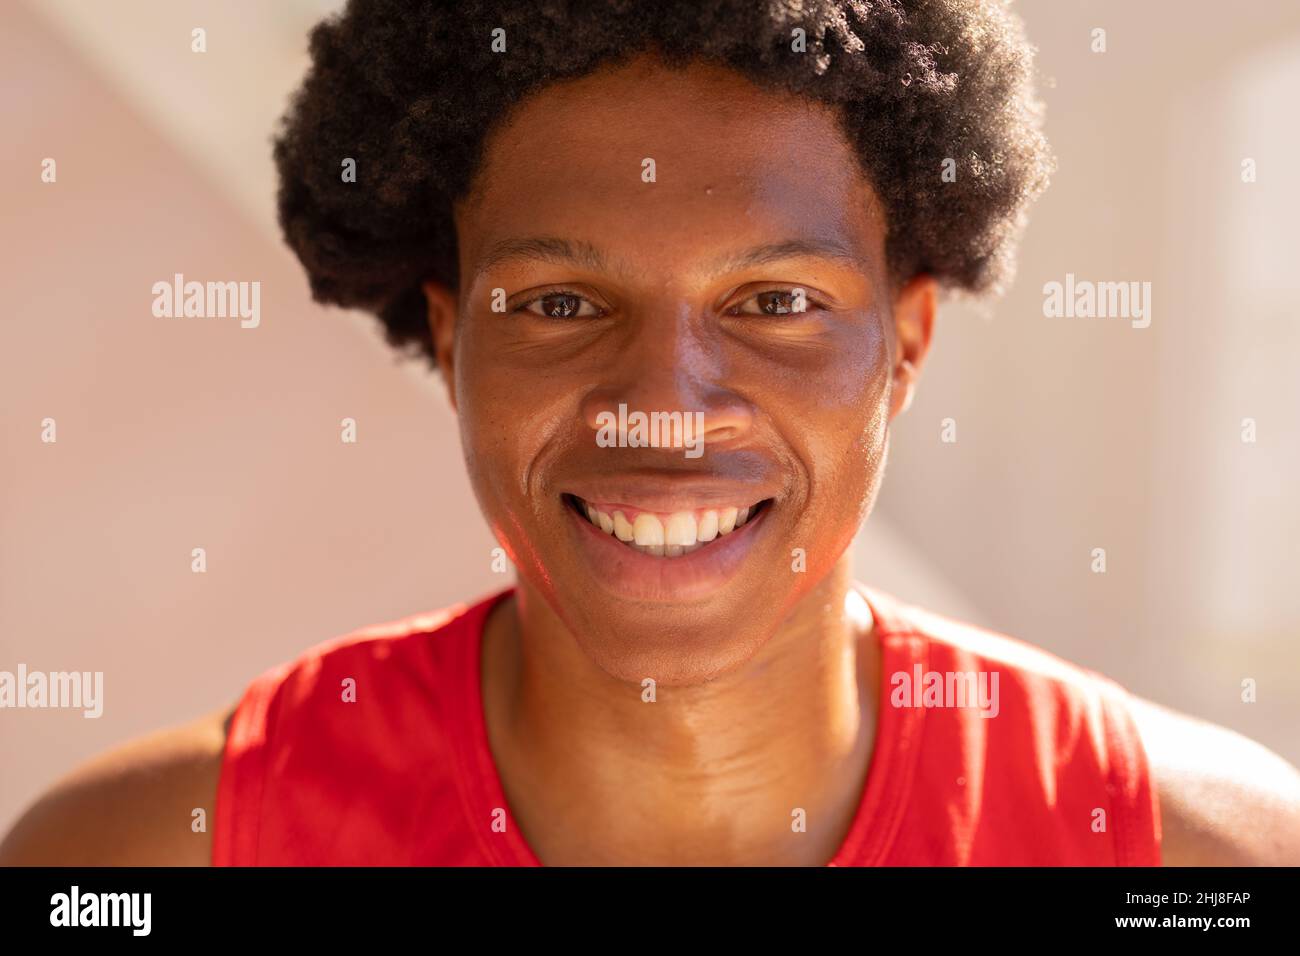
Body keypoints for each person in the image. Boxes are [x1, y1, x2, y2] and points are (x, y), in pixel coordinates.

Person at [4, 0, 1298, 866]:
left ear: (905, 346)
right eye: (562, 303)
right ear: (451, 339)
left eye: (775, 303)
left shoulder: (1192, 858)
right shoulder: (142, 855)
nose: (663, 404)